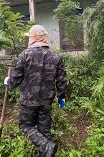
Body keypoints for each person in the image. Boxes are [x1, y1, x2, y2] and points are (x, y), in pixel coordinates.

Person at [4, 25, 67, 157]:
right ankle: (47, 149)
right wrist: (62, 96)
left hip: (28, 101)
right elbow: (61, 80)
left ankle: (46, 146)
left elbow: (15, 81)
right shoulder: (56, 56)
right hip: (46, 101)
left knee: (25, 126)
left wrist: (8, 81)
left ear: (33, 38)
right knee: (44, 131)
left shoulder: (25, 55)